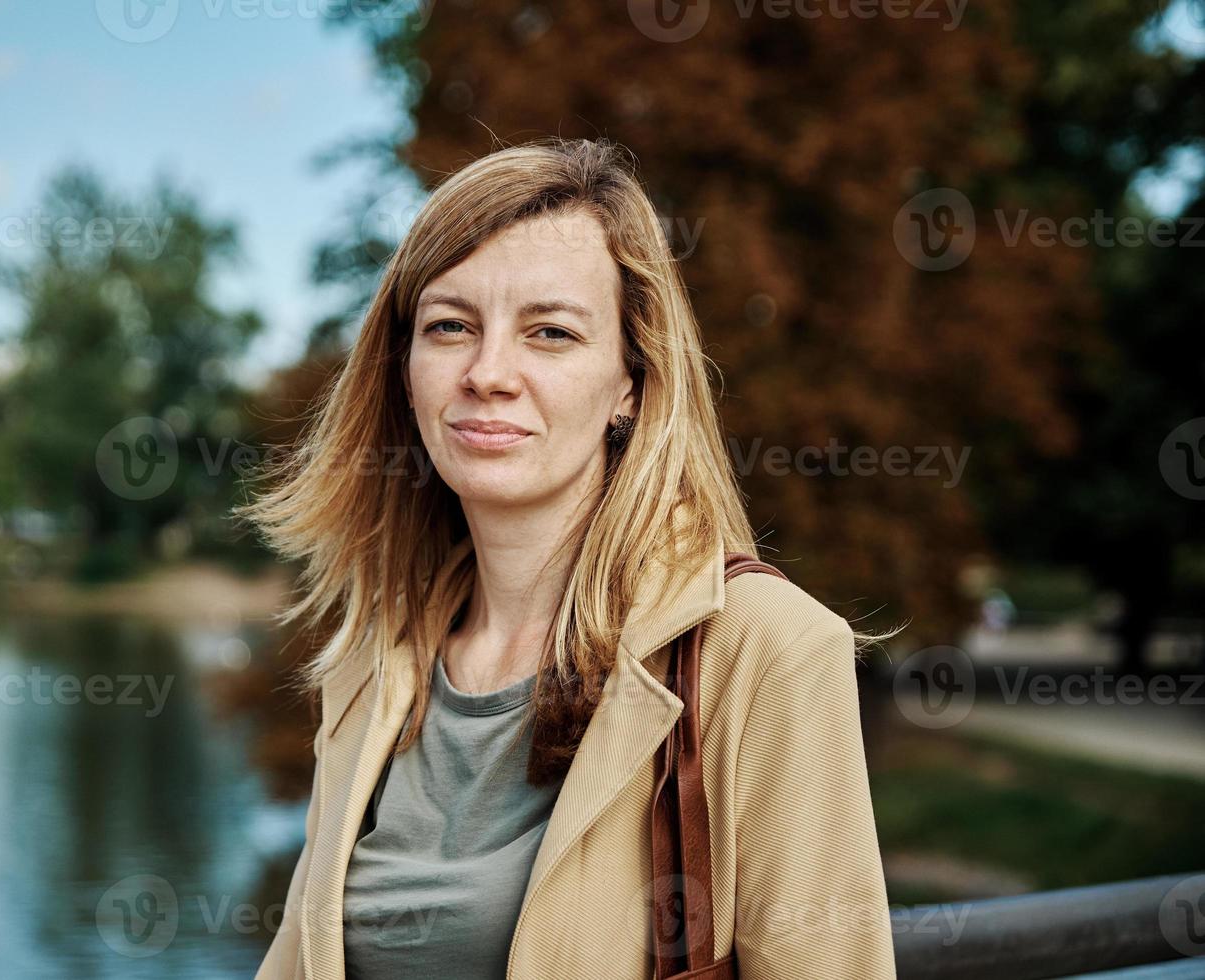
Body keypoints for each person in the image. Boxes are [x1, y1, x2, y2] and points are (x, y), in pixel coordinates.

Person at [240, 137, 896, 980]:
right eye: (450, 327)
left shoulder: (767, 649)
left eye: (550, 332)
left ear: (631, 381)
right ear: (405, 371)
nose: (488, 373)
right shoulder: (377, 658)